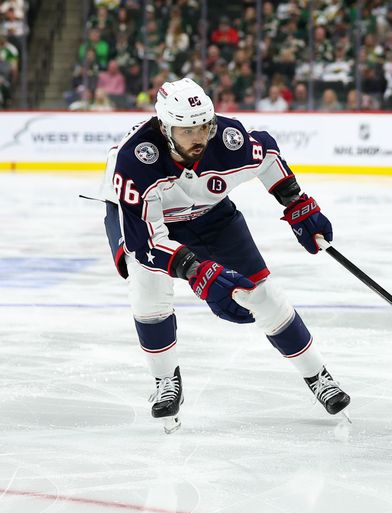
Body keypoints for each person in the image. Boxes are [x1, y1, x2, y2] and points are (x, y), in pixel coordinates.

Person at [101, 78, 350, 433]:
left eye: (204, 126)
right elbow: (146, 243)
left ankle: (318, 376)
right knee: (148, 293)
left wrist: (297, 204)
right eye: (187, 130)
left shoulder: (226, 140)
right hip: (146, 224)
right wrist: (196, 272)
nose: (199, 137)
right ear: (165, 128)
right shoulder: (134, 161)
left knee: (261, 294)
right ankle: (165, 381)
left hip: (212, 215)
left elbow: (267, 154)